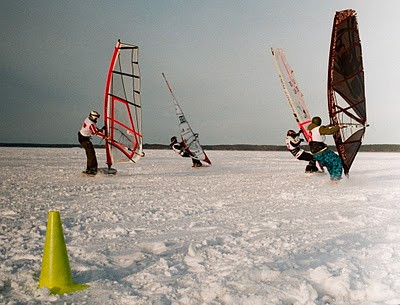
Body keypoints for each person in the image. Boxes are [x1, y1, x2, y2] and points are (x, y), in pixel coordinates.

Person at [307, 116, 344, 181]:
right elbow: (329, 131)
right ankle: (336, 179)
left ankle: (333, 179)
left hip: (316, 154)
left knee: (329, 164)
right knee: (337, 161)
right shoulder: (319, 129)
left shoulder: (311, 130)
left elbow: (321, 130)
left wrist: (326, 127)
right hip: (322, 152)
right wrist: (338, 127)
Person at [78, 111, 106, 175]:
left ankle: (90, 168)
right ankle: (91, 169)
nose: (96, 120)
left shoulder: (88, 119)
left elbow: (94, 129)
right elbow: (95, 132)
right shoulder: (91, 123)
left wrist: (100, 130)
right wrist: (105, 137)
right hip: (84, 139)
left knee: (91, 153)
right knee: (91, 153)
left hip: (82, 137)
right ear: (93, 117)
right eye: (96, 118)